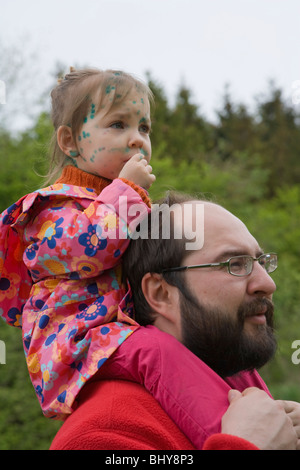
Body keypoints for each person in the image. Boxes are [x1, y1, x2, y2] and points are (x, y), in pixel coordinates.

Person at [50, 193, 299, 450]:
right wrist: (247, 446)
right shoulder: (102, 435)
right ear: (161, 293)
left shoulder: (254, 409)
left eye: (261, 263)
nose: (268, 284)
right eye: (235, 264)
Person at [0, 67, 155, 418]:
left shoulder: (123, 205)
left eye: (143, 127)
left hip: (116, 338)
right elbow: (92, 249)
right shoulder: (51, 209)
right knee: (161, 355)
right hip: (76, 346)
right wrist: (129, 191)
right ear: (69, 141)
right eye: (118, 125)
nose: (137, 139)